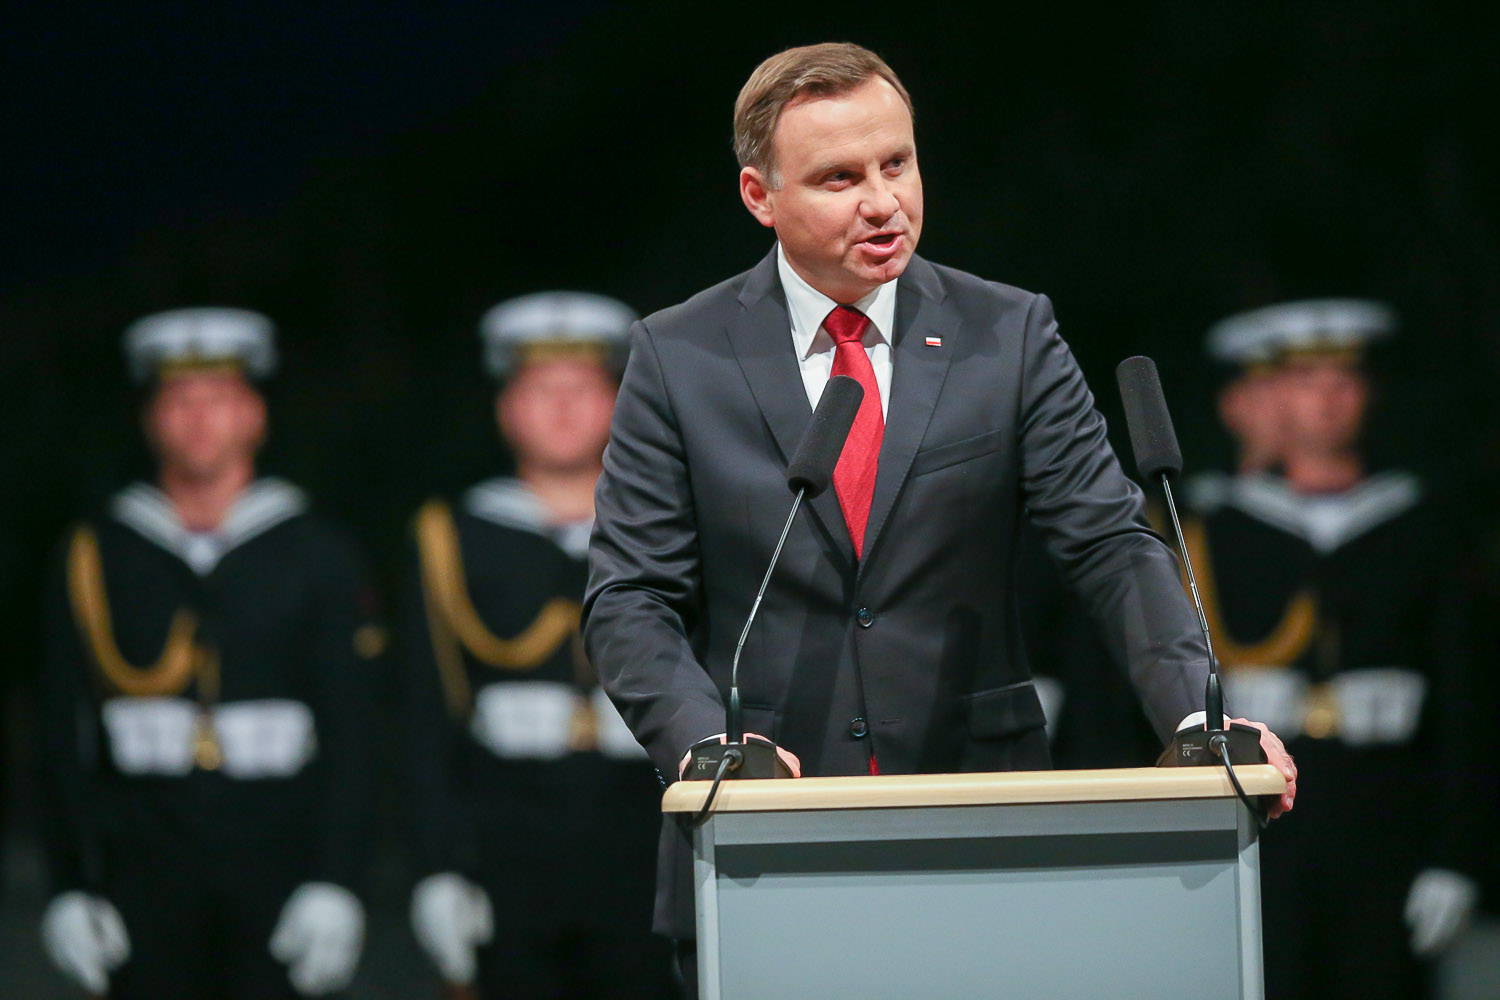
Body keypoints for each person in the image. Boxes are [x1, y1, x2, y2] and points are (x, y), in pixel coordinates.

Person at [581, 42, 1298, 993]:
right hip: (762, 832)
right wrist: (705, 745)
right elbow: (629, 598)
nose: (883, 202)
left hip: (983, 817)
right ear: (760, 195)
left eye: (898, 163)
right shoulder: (679, 357)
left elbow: (1110, 543)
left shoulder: (1009, 333)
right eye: (840, 178)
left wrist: (1194, 711)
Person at [38, 308, 381, 998]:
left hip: (278, 864)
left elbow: (355, 732)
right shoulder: (94, 553)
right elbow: (60, 734)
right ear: (150, 418)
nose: (199, 418)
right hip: (141, 866)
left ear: (254, 414)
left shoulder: (319, 552)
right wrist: (71, 883)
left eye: (219, 399)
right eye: (179, 400)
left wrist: (338, 880)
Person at [1185, 300, 1485, 999]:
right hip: (1262, 820)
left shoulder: (1422, 523)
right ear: (1268, 397)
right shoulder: (1214, 528)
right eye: (1303, 381)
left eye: (1342, 381)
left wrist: (1460, 857)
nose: (1325, 400)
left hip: (1389, 814)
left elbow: (1471, 703)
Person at [401, 292, 675, 999]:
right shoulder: (451, 539)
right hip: (505, 848)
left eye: (582, 388)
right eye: (537, 389)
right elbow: (423, 722)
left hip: (645, 844)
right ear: (505, 408)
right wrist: (437, 867)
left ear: (619, 402)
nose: (560, 407)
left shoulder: (674, 530)